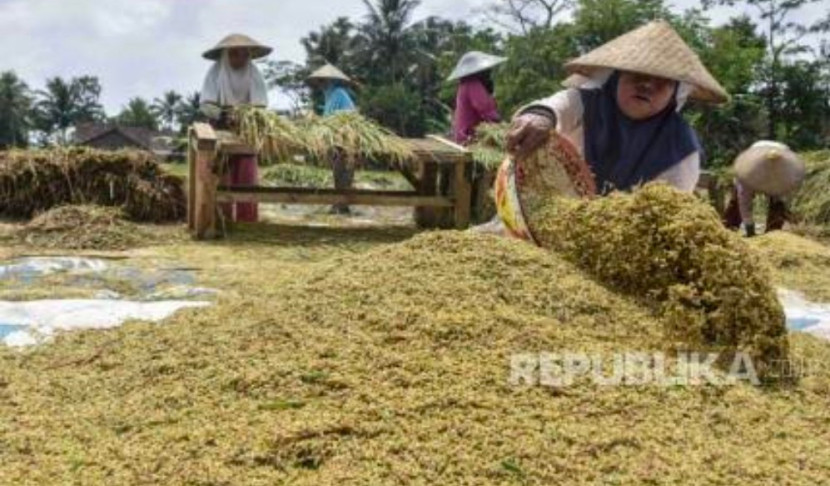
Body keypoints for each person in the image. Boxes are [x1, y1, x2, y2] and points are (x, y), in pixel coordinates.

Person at [506, 20, 730, 195]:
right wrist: (539, 119)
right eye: (637, 75)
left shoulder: (680, 145)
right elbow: (553, 108)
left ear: (675, 94)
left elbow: (669, 209)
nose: (646, 85)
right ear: (616, 78)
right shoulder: (587, 102)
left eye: (662, 81)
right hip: (555, 206)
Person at [199, 33, 271, 223]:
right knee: (220, 173)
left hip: (246, 129)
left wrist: (245, 116)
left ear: (248, 55)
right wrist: (223, 115)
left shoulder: (254, 74)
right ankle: (221, 219)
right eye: (234, 54)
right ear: (225, 55)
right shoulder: (215, 72)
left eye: (242, 54)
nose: (238, 58)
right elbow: (206, 103)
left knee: (246, 174)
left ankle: (246, 221)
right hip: (219, 127)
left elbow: (261, 104)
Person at [724, 141, 806, 236]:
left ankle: (774, 232)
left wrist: (782, 208)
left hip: (780, 157)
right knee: (736, 204)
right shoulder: (747, 174)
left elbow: (785, 195)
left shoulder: (785, 173)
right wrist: (749, 227)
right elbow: (744, 201)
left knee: (778, 205)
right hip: (756, 156)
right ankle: (728, 230)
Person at [308, 64, 358, 214]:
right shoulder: (329, 96)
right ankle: (339, 203)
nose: (321, 85)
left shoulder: (338, 93)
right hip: (336, 138)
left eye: (323, 82)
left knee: (344, 170)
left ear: (330, 81)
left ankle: (343, 204)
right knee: (338, 171)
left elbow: (335, 119)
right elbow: (328, 118)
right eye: (320, 82)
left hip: (346, 137)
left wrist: (317, 122)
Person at [447, 51, 506, 145]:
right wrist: (504, 127)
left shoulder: (464, 85)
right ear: (479, 72)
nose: (489, 73)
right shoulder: (472, 83)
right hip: (469, 139)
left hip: (468, 137)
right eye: (486, 71)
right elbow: (486, 110)